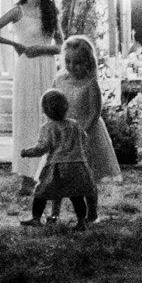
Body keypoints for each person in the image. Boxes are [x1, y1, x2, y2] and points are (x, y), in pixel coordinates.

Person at [0, 0, 61, 192]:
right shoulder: (18, 11)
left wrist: (43, 48)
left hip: (46, 64)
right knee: (28, 116)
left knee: (47, 116)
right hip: (26, 67)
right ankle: (27, 178)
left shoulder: (50, 11)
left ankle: (48, 174)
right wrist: (14, 44)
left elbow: (61, 44)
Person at [50, 35, 117, 224]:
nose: (72, 66)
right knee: (57, 173)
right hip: (62, 133)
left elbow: (95, 112)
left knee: (87, 176)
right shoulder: (59, 81)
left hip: (85, 133)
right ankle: (54, 212)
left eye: (77, 62)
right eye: (68, 61)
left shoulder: (90, 83)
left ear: (88, 62)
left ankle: (92, 212)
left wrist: (82, 132)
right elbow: (52, 103)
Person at [19, 90, 95, 230]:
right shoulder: (75, 125)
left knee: (41, 192)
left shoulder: (47, 128)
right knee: (77, 195)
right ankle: (81, 221)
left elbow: (41, 148)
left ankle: (36, 218)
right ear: (66, 107)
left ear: (45, 110)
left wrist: (26, 152)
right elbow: (84, 139)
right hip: (77, 165)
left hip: (57, 167)